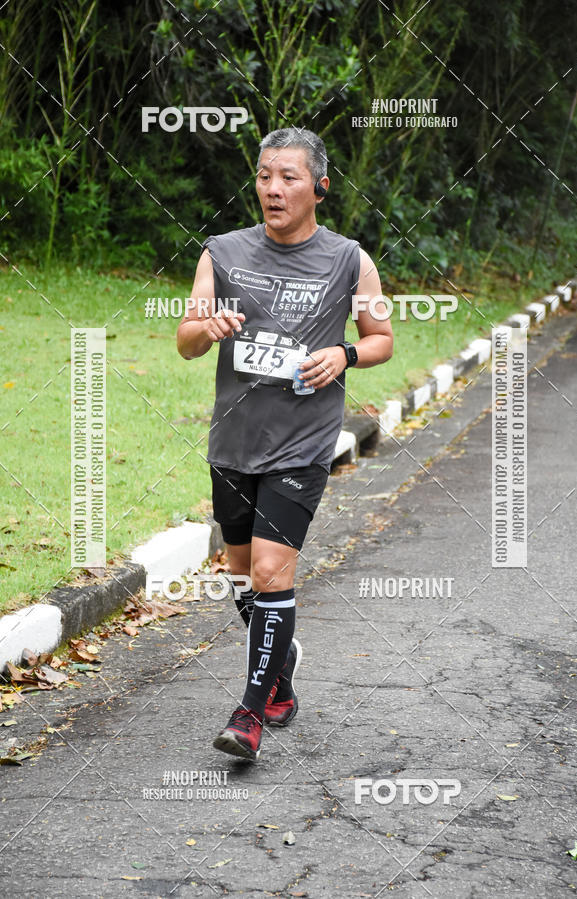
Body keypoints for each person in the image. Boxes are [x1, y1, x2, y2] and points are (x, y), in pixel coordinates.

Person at [176, 127, 392, 761]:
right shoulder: (221, 252)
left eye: (288, 177)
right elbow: (186, 339)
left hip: (303, 442)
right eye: (265, 176)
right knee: (241, 575)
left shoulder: (350, 260)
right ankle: (281, 666)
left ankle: (249, 714)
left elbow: (380, 339)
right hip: (235, 440)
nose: (272, 188)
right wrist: (205, 328)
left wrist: (344, 352)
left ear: (318, 188)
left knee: (273, 571)